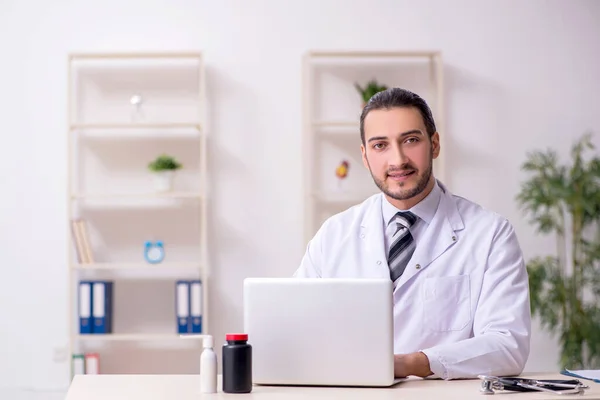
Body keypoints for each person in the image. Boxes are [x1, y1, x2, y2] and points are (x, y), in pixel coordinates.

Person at [293, 87, 531, 380]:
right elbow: (296, 327)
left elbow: (507, 346)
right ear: (365, 156)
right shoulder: (334, 235)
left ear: (434, 144)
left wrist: (408, 364)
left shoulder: (490, 234)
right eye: (380, 145)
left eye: (411, 140)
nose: (398, 160)